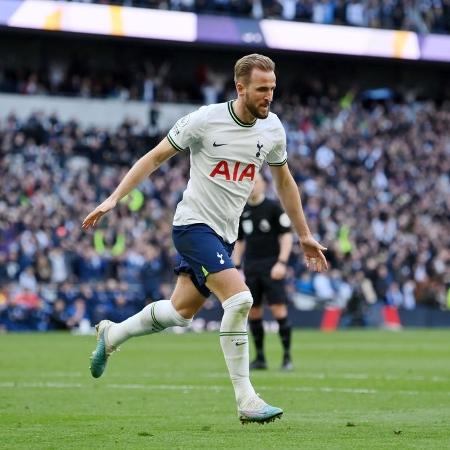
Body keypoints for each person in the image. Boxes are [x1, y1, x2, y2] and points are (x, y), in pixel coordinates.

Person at [82, 53, 328, 425]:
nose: (269, 96)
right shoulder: (204, 120)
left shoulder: (272, 129)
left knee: (181, 312)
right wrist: (115, 197)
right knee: (241, 298)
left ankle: (112, 333)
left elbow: (284, 181)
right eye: (262, 89)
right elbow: (154, 157)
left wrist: (304, 234)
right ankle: (247, 400)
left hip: (225, 235)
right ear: (240, 88)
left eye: (273, 89)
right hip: (193, 227)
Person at [233, 172, 294, 371]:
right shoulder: (242, 211)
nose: (252, 186)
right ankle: (260, 357)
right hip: (251, 267)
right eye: (249, 183)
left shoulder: (273, 208)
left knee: (278, 310)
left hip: (271, 266)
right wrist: (236, 267)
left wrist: (282, 263)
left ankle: (287, 357)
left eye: (255, 182)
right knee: (254, 312)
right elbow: (240, 241)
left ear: (263, 184)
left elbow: (286, 237)